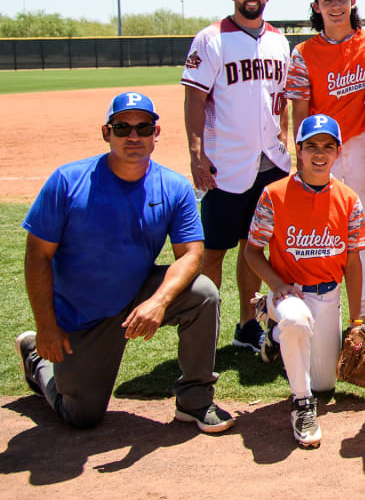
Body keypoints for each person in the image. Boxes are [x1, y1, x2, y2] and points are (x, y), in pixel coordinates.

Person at [16, 92, 233, 433]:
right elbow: (37, 255)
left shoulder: (174, 187)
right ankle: (36, 359)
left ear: (155, 133)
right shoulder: (68, 181)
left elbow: (192, 255)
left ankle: (194, 401)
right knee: (81, 416)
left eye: (143, 127)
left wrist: (158, 302)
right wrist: (46, 327)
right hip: (83, 314)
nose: (134, 136)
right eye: (122, 127)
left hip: (137, 294)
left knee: (202, 293)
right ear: (107, 133)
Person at [182, 0, 291, 352]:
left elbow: (282, 100)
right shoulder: (211, 39)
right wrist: (197, 154)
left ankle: (247, 325)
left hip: (270, 163)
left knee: (254, 246)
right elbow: (194, 97)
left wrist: (286, 136)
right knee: (213, 249)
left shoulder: (280, 41)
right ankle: (205, 328)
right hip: (225, 162)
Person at [243, 115, 365, 448]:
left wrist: (357, 321)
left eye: (328, 146)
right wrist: (274, 283)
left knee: (326, 384)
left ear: (338, 151)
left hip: (328, 296)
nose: (319, 153)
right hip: (290, 294)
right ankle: (301, 403)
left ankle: (275, 336)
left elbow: (354, 263)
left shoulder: (348, 199)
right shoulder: (274, 195)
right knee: (297, 321)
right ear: (298, 150)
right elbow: (252, 253)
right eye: (311, 145)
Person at [284, 0, 365, 344]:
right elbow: (299, 108)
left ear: (352, 2)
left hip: (362, 143)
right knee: (322, 225)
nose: (335, 5)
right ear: (317, 6)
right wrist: (303, 152)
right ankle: (313, 302)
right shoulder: (303, 53)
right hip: (322, 148)